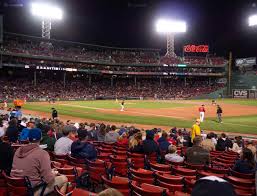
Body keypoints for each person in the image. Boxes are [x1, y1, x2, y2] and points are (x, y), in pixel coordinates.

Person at [11, 128, 68, 195]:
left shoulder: (18, 150)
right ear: (41, 138)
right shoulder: (42, 153)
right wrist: (53, 174)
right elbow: (48, 179)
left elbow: (30, 166)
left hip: (15, 186)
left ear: (28, 138)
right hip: (31, 190)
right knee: (64, 179)